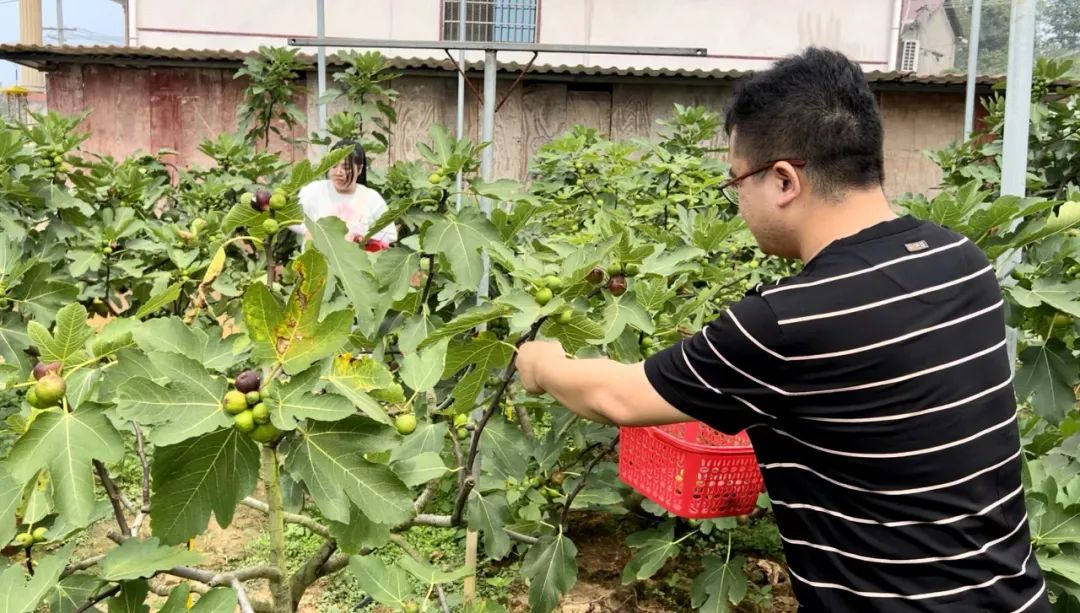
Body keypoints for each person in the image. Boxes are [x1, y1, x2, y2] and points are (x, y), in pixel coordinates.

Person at [515, 48, 1048, 613]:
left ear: (784, 179)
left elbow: (612, 396)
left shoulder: (789, 320)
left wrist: (543, 363)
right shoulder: (962, 259)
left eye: (736, 182)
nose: (737, 200)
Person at [290, 139, 397, 251]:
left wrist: (361, 237)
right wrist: (309, 231)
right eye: (334, 166)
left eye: (346, 168)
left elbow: (390, 234)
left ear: (359, 169)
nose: (338, 172)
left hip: (354, 264)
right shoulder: (313, 191)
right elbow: (292, 218)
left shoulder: (372, 198)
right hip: (316, 262)